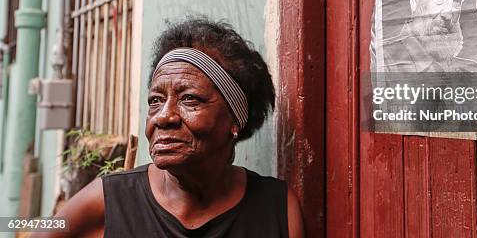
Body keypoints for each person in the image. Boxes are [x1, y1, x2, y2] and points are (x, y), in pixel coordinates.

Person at [43, 17, 304, 237]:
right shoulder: (110, 200)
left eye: (190, 99)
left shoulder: (276, 209)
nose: (163, 117)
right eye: (155, 101)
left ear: (234, 121)